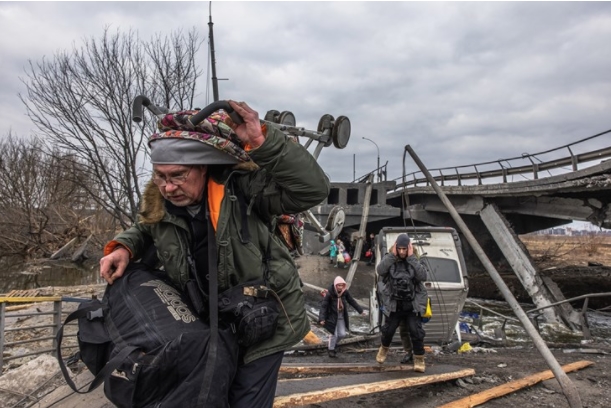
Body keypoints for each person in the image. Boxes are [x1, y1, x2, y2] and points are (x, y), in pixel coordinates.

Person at [99, 100, 330, 407]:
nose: (168, 187)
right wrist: (124, 247)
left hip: (262, 323)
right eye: (160, 176)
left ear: (203, 166)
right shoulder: (161, 202)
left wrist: (263, 141)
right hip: (206, 325)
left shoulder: (245, 190)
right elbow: (147, 228)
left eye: (178, 175)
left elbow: (312, 189)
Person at [375, 233, 428, 372]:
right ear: (396, 247)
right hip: (395, 303)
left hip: (411, 304)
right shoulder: (390, 258)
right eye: (400, 249)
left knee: (416, 332)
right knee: (388, 330)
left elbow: (423, 276)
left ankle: (419, 359)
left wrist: (411, 258)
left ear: (409, 247)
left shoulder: (415, 259)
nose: (402, 252)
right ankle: (383, 350)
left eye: (405, 249)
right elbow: (380, 271)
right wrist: (392, 256)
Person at [318, 276, 366, 357]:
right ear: (335, 285)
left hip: (341, 315)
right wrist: (321, 319)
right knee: (334, 334)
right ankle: (331, 349)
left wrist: (360, 311)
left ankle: (334, 344)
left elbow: (351, 301)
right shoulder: (330, 294)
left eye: (342, 285)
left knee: (342, 334)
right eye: (338, 285)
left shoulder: (345, 292)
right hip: (331, 316)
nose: (340, 287)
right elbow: (324, 307)